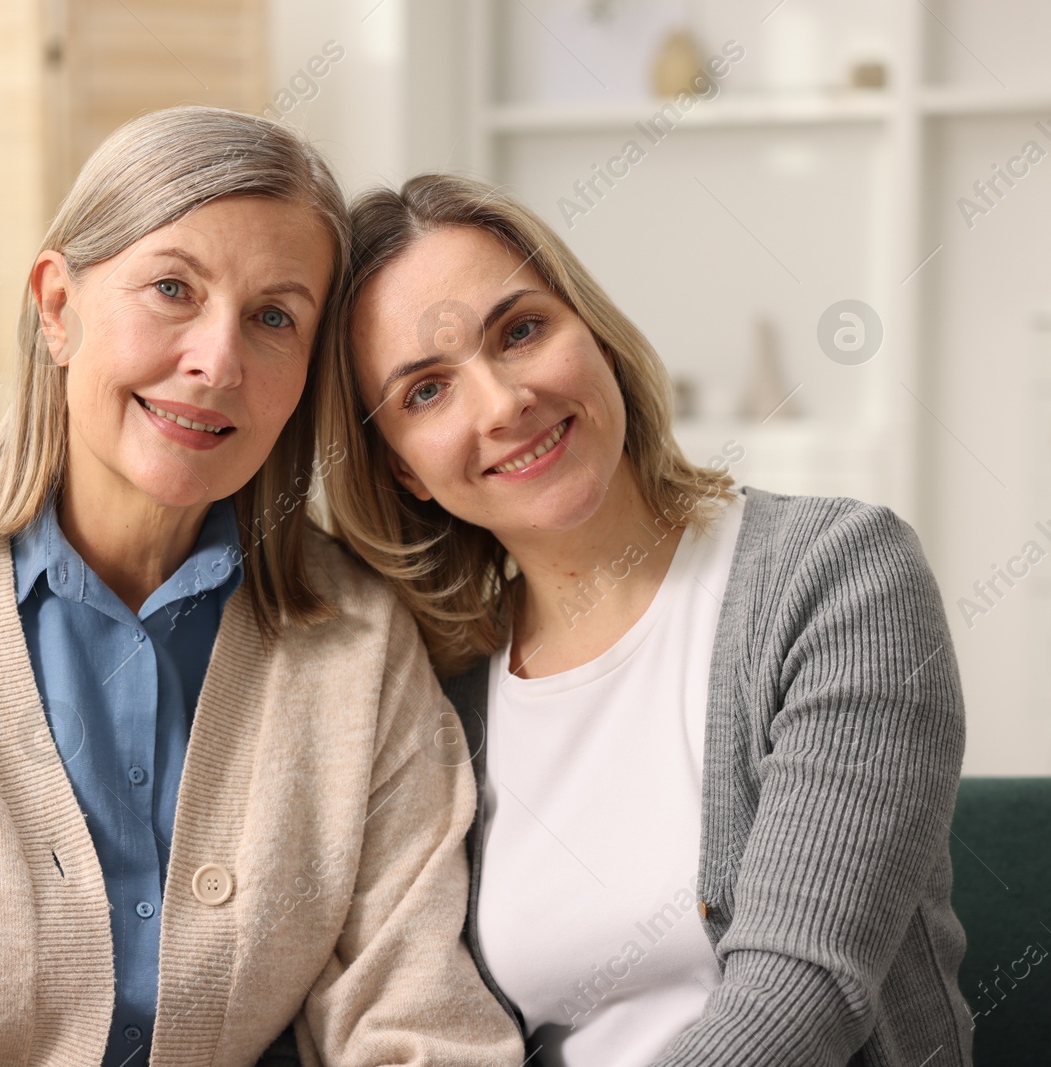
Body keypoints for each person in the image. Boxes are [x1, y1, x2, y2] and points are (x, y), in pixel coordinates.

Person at [0, 110, 526, 1067]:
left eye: (274, 318)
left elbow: (421, 1024)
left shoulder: (359, 639)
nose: (217, 362)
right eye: (173, 288)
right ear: (57, 307)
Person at [317, 173, 971, 1066]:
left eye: (521, 331)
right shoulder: (439, 692)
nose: (503, 404)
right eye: (426, 391)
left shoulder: (837, 576)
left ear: (593, 333)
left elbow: (804, 992)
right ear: (403, 471)